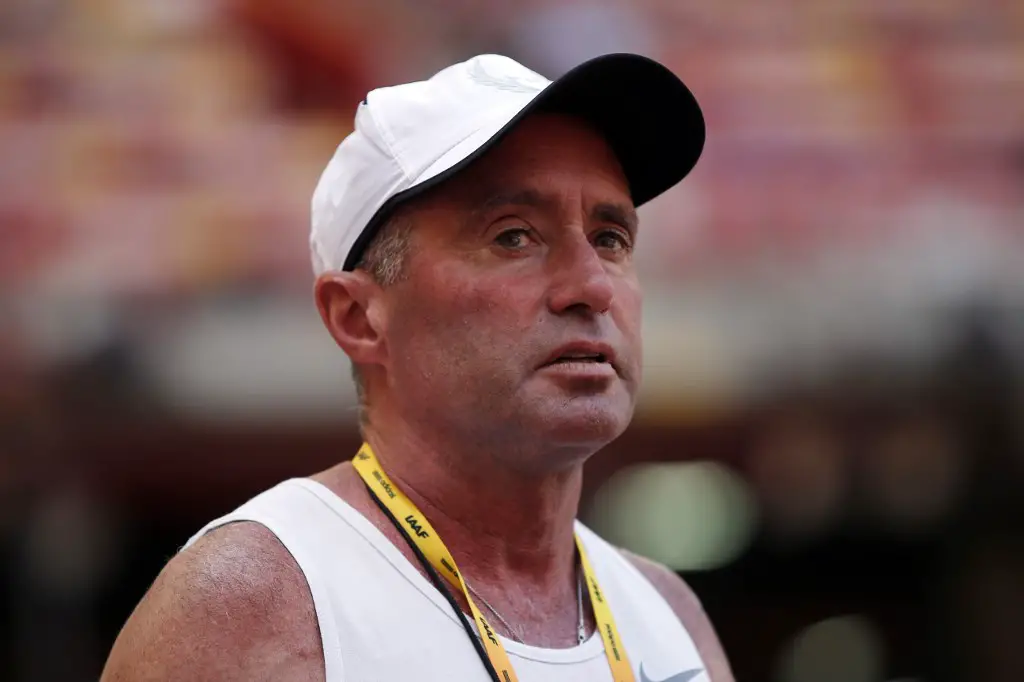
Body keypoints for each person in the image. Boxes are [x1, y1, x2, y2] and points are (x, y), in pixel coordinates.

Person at [100, 53, 733, 682]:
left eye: (611, 238)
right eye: (514, 235)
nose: (592, 285)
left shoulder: (669, 617)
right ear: (356, 316)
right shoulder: (256, 609)